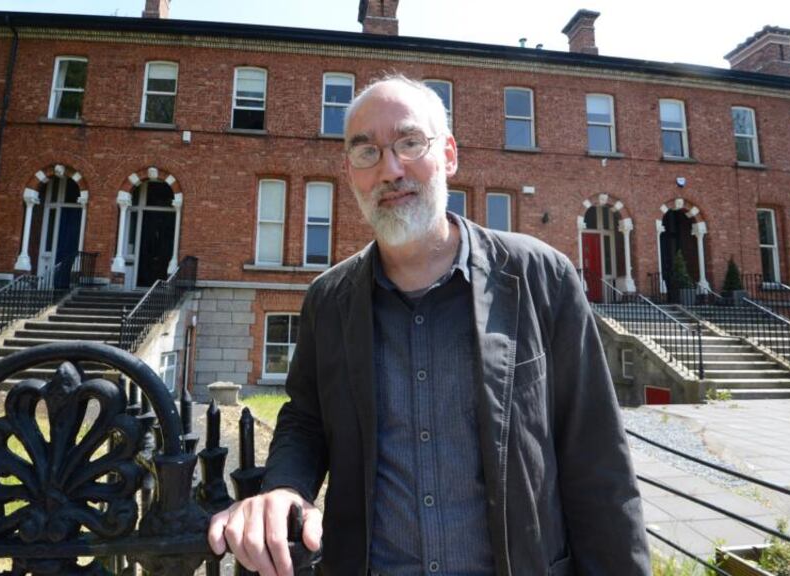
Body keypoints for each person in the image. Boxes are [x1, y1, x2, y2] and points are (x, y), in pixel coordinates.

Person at [208, 75, 650, 576]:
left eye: (410, 143)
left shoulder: (540, 276)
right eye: (366, 152)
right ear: (351, 172)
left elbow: (599, 463)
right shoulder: (327, 301)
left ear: (450, 155)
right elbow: (306, 419)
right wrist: (286, 486)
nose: (391, 169)